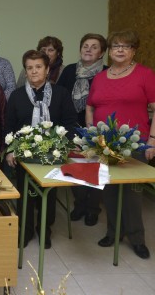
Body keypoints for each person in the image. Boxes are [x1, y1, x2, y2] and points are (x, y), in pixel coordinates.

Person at [86, 29, 155, 259]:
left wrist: (153, 141)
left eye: (126, 46)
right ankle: (113, 232)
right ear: (110, 51)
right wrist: (90, 134)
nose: (120, 50)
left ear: (133, 51)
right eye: (116, 46)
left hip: (134, 144)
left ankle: (137, 238)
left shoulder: (145, 75)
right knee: (109, 192)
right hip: (104, 145)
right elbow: (90, 106)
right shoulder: (100, 78)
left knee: (133, 195)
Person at [5, 50, 77, 249]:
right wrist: (11, 150)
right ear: (25, 71)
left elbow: (71, 123)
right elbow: (9, 126)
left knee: (49, 194)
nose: (34, 71)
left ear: (47, 70)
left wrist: (63, 145)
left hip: (52, 155)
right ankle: (25, 230)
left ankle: (45, 230)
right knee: (25, 194)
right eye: (29, 68)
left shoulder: (61, 93)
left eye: (38, 67)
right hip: (24, 155)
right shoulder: (17, 96)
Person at [57, 33, 108, 226]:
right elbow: (59, 97)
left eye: (94, 47)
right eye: (85, 45)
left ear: (101, 52)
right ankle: (79, 205)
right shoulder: (70, 70)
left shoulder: (106, 72)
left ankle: (93, 208)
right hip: (72, 126)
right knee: (75, 167)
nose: (88, 49)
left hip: (97, 127)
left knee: (96, 169)